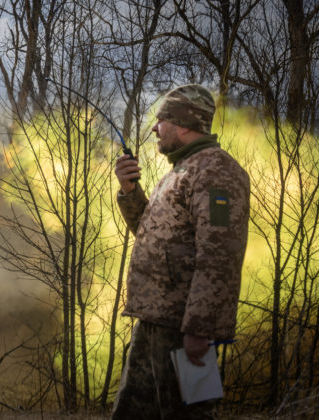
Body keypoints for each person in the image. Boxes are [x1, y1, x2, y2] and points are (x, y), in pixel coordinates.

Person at [110, 85, 250, 419]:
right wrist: (130, 191)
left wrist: (199, 328)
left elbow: (220, 256)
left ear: (184, 125)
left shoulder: (216, 171)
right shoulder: (179, 171)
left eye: (162, 120)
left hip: (185, 328)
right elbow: (152, 235)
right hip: (154, 322)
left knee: (193, 415)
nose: (155, 128)